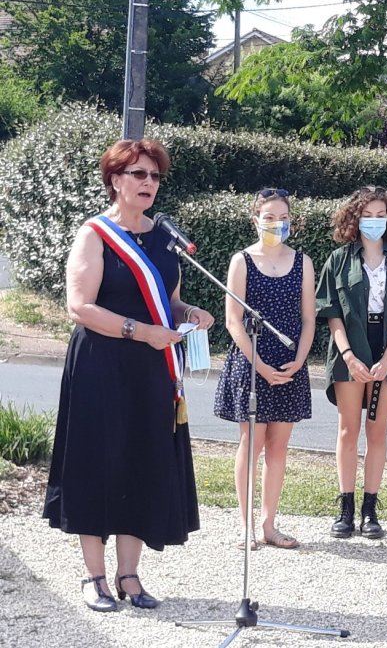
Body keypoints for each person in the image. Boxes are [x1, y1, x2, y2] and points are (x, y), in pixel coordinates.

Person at [42, 139, 214, 612]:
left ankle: (129, 576)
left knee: (141, 460)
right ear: (115, 180)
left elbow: (170, 301)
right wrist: (140, 332)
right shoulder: (95, 235)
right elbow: (79, 307)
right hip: (102, 364)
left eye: (155, 176)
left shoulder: (164, 240)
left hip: (150, 369)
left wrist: (191, 312)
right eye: (138, 174)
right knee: (98, 462)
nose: (148, 184)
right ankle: (94, 578)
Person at [316, 186, 387, 540]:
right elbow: (331, 313)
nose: (375, 222)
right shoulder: (338, 259)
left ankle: (370, 510)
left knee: (376, 432)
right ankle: (345, 509)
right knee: (348, 430)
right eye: (368, 216)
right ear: (355, 217)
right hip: (351, 349)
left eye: (381, 216)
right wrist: (348, 355)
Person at [213, 189, 315, 550]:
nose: (276, 224)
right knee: (251, 443)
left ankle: (269, 524)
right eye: (269, 217)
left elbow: (308, 319)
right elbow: (232, 320)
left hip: (289, 365)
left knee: (279, 448)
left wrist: (300, 360)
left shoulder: (303, 262)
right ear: (255, 219)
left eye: (283, 217)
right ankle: (245, 526)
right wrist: (260, 365)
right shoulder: (241, 261)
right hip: (251, 363)